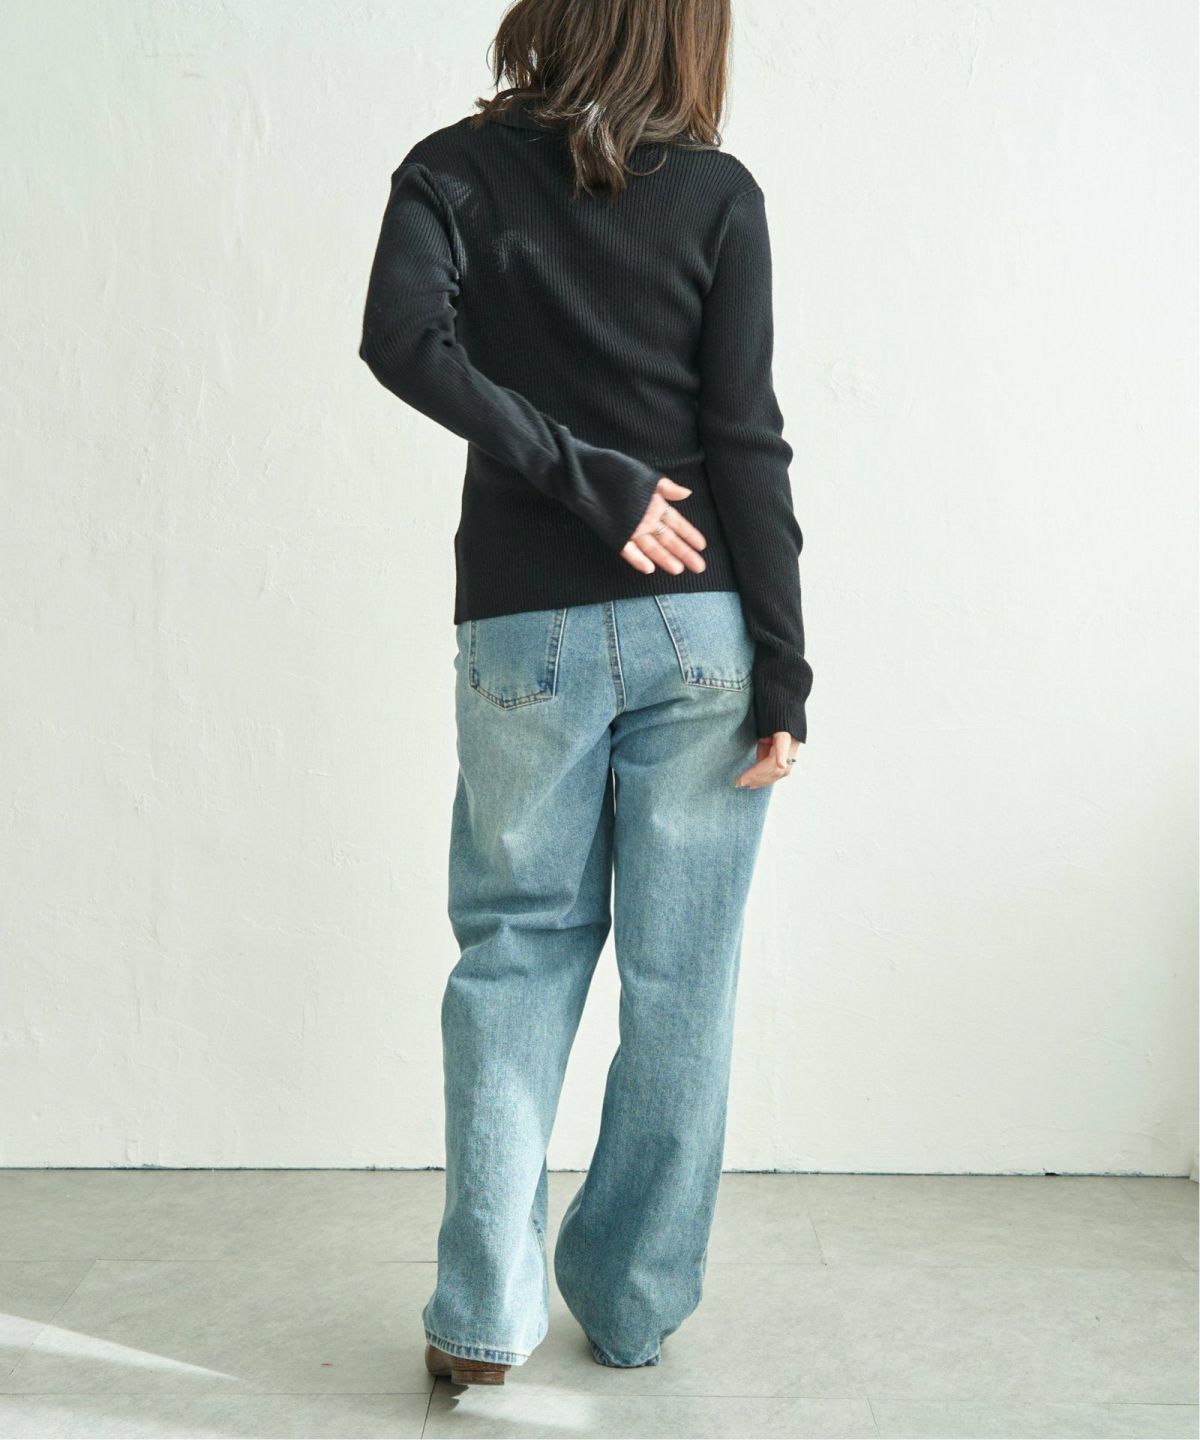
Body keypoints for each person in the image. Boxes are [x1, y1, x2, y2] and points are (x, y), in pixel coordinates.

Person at [358, 0, 813, 1386]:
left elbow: (403, 342)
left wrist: (569, 476)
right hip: (700, 629)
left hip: (524, 632)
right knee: (685, 980)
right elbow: (745, 439)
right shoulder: (720, 197)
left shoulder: (450, 170)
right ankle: (628, 1303)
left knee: (514, 955)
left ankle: (483, 1320)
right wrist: (784, 665)